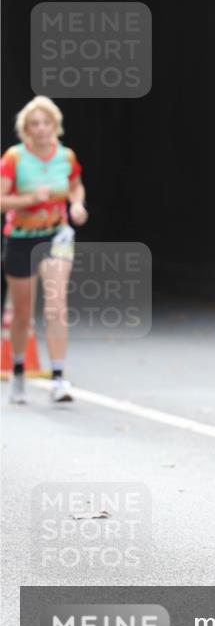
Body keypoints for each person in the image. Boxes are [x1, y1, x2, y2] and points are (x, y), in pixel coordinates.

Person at [1, 96, 88, 404]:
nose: (40, 129)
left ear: (55, 125)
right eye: (34, 124)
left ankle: (58, 378)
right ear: (26, 129)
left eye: (45, 123)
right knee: (23, 312)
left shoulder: (65, 156)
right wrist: (28, 200)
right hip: (21, 238)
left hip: (56, 236)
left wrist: (77, 204)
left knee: (56, 305)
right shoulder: (14, 158)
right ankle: (19, 371)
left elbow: (76, 184)